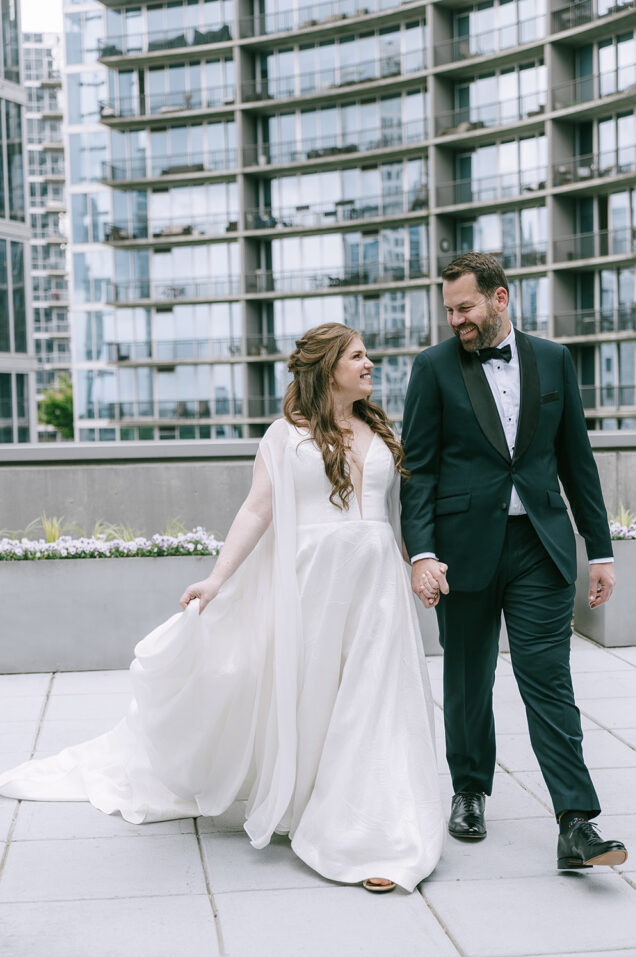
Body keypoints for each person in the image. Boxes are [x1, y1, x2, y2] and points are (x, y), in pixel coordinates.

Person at [0, 323, 444, 893]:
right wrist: (215, 579)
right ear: (328, 366)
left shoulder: (377, 430)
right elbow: (258, 510)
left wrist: (416, 564)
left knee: (376, 700)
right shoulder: (285, 436)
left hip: (377, 585)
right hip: (314, 586)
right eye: (358, 355)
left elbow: (392, 515)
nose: (370, 363)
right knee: (317, 700)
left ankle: (376, 834)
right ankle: (321, 806)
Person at [400, 253, 628, 870]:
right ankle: (470, 790)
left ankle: (576, 821)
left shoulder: (554, 360)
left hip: (539, 547)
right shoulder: (433, 368)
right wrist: (421, 552)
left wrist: (599, 551)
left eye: (466, 307)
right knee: (468, 678)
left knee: (548, 680)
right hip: (462, 551)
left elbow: (576, 458)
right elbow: (417, 471)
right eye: (449, 309)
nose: (456, 320)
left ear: (501, 298)